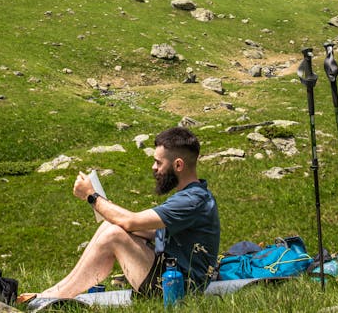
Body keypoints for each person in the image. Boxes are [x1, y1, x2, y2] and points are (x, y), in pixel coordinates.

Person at [23, 126, 220, 311]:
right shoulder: (192, 196)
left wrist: (92, 197)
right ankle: (51, 294)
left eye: (159, 162)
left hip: (180, 290)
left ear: (178, 165)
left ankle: (49, 299)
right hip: (170, 276)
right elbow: (152, 231)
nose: (153, 167)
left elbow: (131, 221)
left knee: (115, 235)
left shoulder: (192, 200)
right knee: (113, 226)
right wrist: (112, 215)